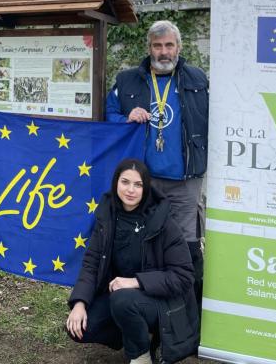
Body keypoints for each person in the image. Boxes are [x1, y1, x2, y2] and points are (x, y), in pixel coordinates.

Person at [66, 159, 199, 364]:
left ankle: (141, 356)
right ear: (115, 183)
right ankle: (134, 333)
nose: (130, 190)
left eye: (138, 185)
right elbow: (91, 263)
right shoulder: (107, 216)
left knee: (122, 300)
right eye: (125, 182)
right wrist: (79, 303)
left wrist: (136, 281)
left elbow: (183, 277)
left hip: (162, 302)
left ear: (146, 188)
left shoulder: (162, 222)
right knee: (80, 328)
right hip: (124, 299)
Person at [105, 20, 208, 285]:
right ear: (149, 48)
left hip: (185, 181)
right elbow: (109, 115)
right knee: (143, 244)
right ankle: (146, 307)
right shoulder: (127, 80)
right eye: (158, 46)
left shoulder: (198, 79)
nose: (164, 52)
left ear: (178, 47)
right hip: (142, 182)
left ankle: (187, 313)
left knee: (186, 246)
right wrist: (127, 117)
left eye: (169, 45)